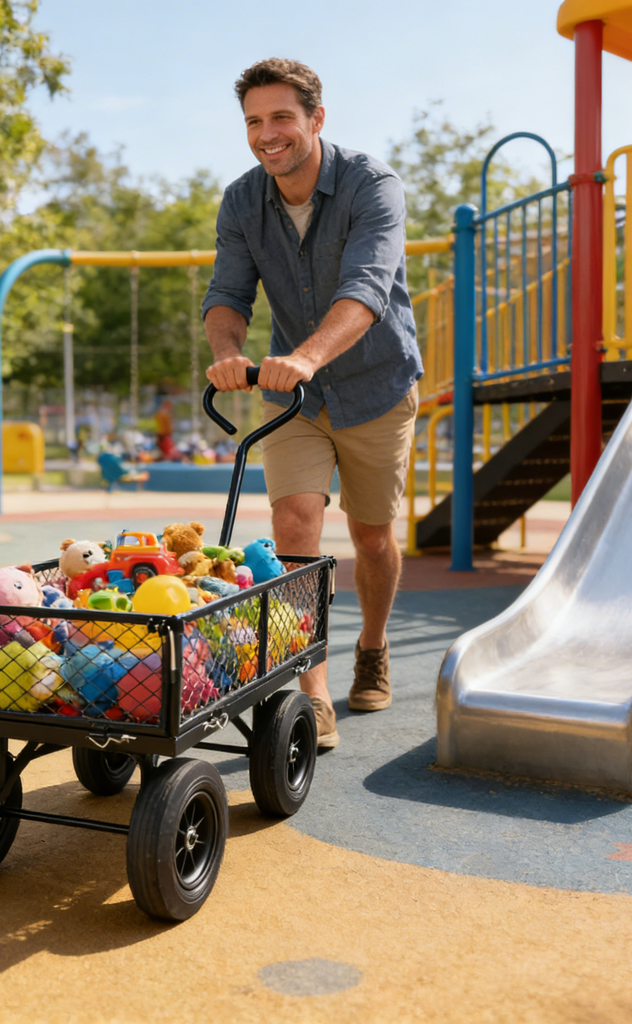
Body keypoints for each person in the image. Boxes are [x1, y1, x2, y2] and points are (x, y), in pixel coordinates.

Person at [202, 58, 422, 751]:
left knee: (371, 537)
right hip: (292, 396)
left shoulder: (371, 185)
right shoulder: (242, 201)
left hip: (376, 384)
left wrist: (307, 356)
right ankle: (313, 689)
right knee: (295, 526)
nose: (268, 135)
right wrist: (229, 351)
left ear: (315, 119)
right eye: (254, 122)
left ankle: (375, 646)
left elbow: (367, 288)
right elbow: (227, 296)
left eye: (281, 119)